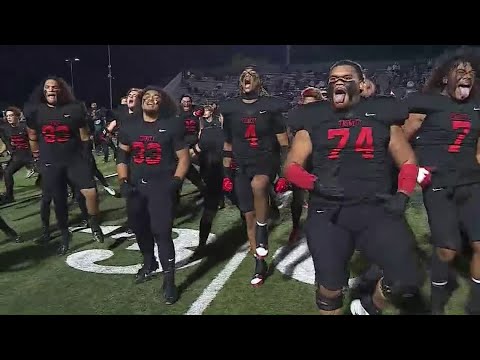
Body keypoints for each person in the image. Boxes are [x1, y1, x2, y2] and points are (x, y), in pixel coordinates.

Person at [284, 60, 421, 315]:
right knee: (331, 288)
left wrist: (402, 193)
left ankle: (369, 307)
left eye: (346, 77)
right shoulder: (314, 115)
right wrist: (316, 184)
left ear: (361, 84)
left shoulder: (381, 112)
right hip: (329, 211)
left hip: (376, 207)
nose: (338, 81)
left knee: (404, 278)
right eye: (333, 77)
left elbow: (408, 161)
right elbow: (291, 166)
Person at [402, 46, 480, 314]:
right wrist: (412, 168)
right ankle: (436, 305)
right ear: (446, 78)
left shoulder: (477, 106)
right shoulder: (427, 102)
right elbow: (399, 140)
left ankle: (475, 305)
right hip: (438, 184)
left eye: (470, 71)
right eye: (459, 70)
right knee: (447, 250)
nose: (466, 73)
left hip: (472, 183)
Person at [116, 86, 190, 304]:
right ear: (140, 102)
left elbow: (184, 158)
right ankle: (149, 262)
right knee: (139, 228)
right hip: (137, 186)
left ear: (162, 102)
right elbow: (122, 156)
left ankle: (169, 280)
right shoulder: (129, 125)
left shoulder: (172, 124)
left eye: (156, 97)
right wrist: (122, 181)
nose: (151, 100)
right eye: (146, 97)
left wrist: (176, 182)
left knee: (162, 231)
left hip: (161, 186)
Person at [220, 65, 290, 286]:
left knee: (259, 185)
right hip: (241, 164)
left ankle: (262, 231)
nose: (247, 77)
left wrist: (284, 173)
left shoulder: (270, 107)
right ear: (240, 84)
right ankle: (259, 262)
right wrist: (226, 173)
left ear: (259, 83)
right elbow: (228, 143)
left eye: (252, 76)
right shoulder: (231, 109)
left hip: (265, 160)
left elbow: (284, 143)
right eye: (243, 76)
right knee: (248, 217)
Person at [25, 76, 104, 255]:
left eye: (55, 86)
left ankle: (93, 222)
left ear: (61, 90)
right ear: (43, 91)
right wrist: (37, 156)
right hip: (50, 162)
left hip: (74, 159)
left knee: (90, 192)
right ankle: (64, 235)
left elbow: (84, 136)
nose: (51, 89)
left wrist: (86, 156)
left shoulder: (74, 108)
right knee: (59, 201)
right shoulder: (36, 111)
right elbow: (31, 135)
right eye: (48, 87)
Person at [189, 104, 224, 257]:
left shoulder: (209, 132)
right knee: (245, 208)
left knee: (209, 211)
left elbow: (194, 152)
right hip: (225, 174)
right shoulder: (219, 131)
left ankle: (202, 245)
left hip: (214, 174)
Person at [0, 107, 32, 204]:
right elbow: (6, 143)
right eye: (7, 116)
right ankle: (10, 197)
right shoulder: (5, 129)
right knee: (7, 173)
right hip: (17, 157)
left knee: (47, 174)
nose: (9, 118)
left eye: (11, 115)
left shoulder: (26, 127)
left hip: (30, 156)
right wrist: (1, 152)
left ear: (18, 116)